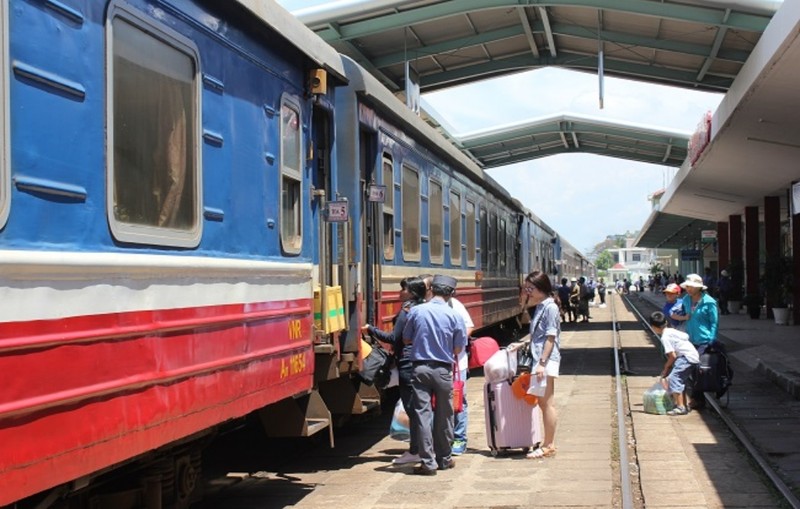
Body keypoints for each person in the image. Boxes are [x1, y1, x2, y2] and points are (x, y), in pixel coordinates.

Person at [402, 275, 467, 475]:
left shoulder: (416, 311)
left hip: (420, 368)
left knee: (422, 415)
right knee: (445, 415)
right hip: (443, 371)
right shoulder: (455, 316)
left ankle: (428, 463)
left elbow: (406, 339)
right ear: (451, 293)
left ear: (432, 290)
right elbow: (458, 349)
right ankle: (444, 459)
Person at [362, 277, 428, 465]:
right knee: (420, 407)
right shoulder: (422, 308)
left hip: (407, 364)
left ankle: (416, 449)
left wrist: (371, 330)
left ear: (411, 292)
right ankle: (424, 447)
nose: (399, 292)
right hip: (420, 360)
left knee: (412, 408)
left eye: (403, 289)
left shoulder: (406, 312)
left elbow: (393, 337)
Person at [520, 270, 561, 459]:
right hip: (540, 360)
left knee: (547, 403)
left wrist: (542, 363)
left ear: (541, 288)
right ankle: (547, 443)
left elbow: (550, 337)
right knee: (544, 403)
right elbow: (537, 334)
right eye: (526, 287)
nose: (528, 291)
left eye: (531, 288)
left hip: (545, 361)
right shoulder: (540, 306)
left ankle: (549, 445)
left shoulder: (550, 307)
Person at [671, 273, 719, 409]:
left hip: (704, 340)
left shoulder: (709, 302)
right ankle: (698, 398)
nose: (689, 289)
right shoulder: (686, 299)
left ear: (699, 288)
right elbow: (682, 314)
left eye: (692, 287)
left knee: (698, 369)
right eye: (688, 286)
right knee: (691, 369)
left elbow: (714, 322)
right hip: (690, 339)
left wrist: (712, 339)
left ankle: (697, 398)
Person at [649, 311, 699, 416]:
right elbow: (684, 338)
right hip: (692, 355)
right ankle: (683, 404)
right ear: (666, 322)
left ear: (653, 327)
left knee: (674, 379)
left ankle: (680, 407)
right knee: (680, 379)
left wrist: (666, 367)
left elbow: (672, 356)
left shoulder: (665, 337)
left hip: (686, 358)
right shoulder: (671, 331)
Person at [447, 293, 474, 456]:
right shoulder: (424, 306)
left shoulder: (454, 305)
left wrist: (456, 346)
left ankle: (459, 438)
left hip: (456, 364)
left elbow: (469, 326)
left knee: (458, 400)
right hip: (436, 363)